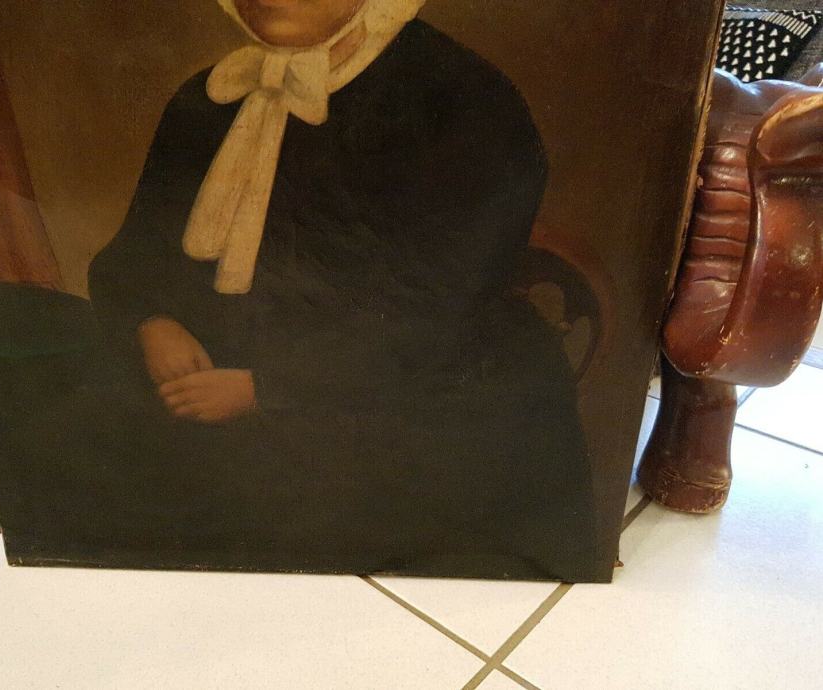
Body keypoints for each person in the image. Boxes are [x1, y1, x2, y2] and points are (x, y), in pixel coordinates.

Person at [81, 0, 598, 580]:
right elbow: (137, 254)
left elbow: (439, 308)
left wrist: (267, 387)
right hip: (208, 390)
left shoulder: (463, 101)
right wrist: (151, 320)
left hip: (413, 408)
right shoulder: (208, 99)